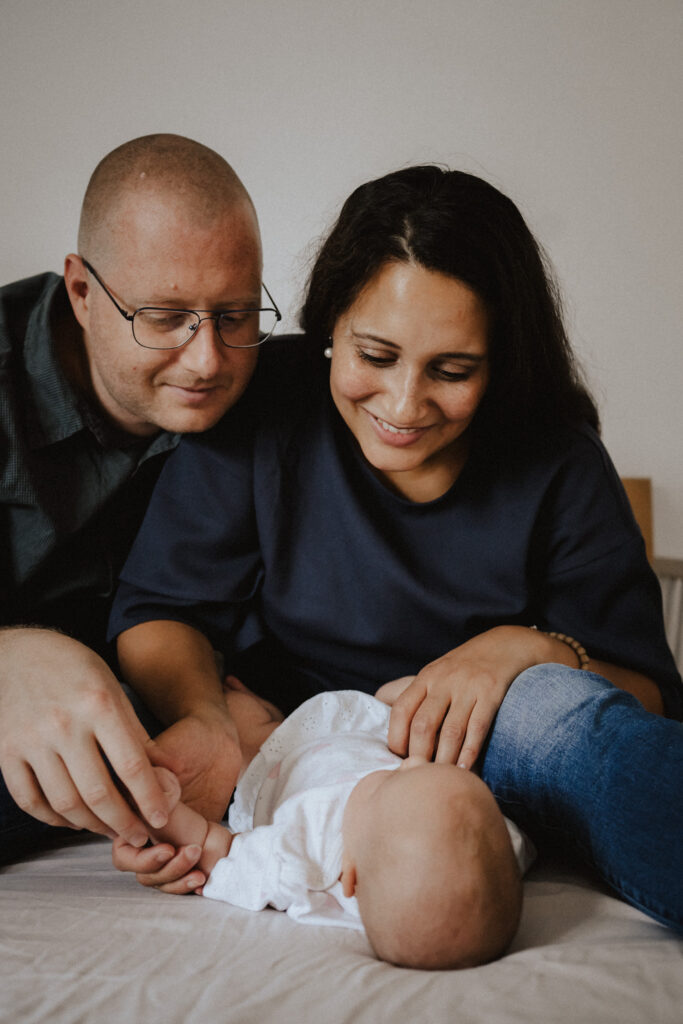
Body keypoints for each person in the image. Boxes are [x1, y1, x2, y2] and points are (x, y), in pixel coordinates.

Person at [109, 165, 683, 933]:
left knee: (547, 702)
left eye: (451, 371)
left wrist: (528, 650)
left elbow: (646, 695)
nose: (404, 406)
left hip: (476, 758)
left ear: (500, 360)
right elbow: (158, 612)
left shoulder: (557, 460)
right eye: (375, 357)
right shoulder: (263, 404)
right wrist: (205, 719)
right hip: (289, 750)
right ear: (329, 327)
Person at [0, 133, 280, 862]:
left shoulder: (286, 396)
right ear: (83, 293)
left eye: (235, 315)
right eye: (163, 318)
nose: (208, 360)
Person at [147, 678, 528, 969]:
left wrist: (162, 809)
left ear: (350, 877)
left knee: (244, 717)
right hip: (374, 731)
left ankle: (246, 702)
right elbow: (489, 843)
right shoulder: (485, 853)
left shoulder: (305, 863)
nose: (411, 766)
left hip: (278, 760)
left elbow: (219, 849)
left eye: (392, 782)